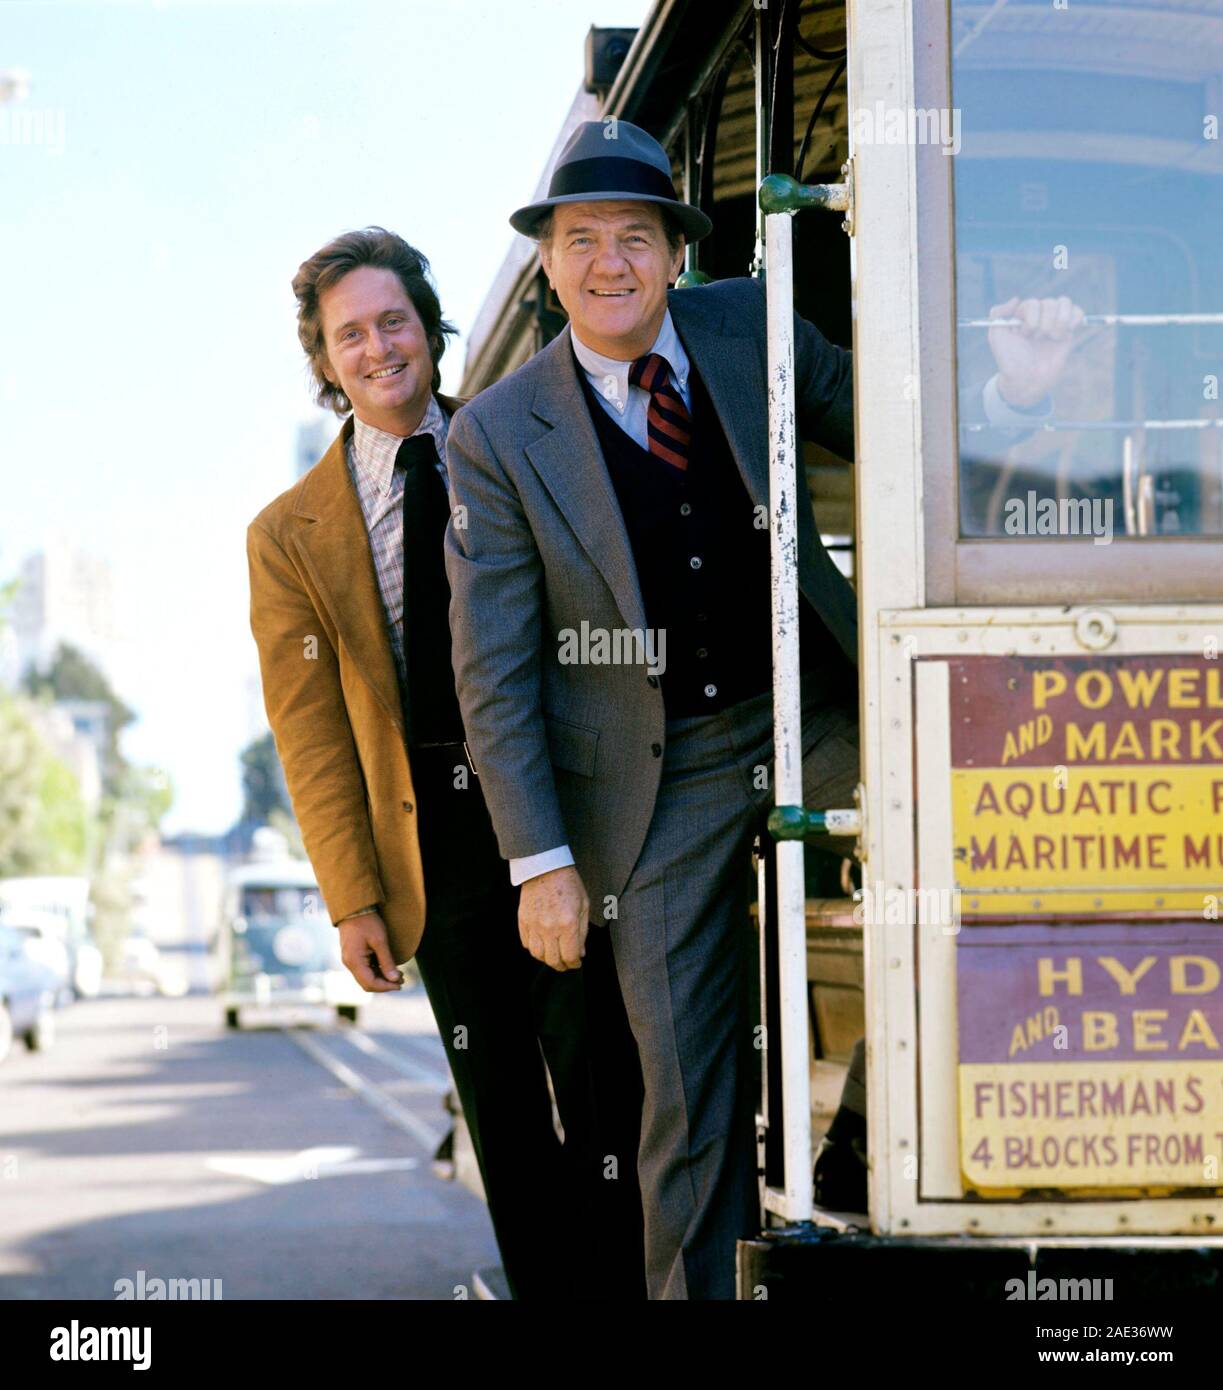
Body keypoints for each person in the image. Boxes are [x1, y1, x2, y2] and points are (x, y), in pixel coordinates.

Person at [443, 120, 1082, 1299]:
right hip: (648, 775)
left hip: (809, 709)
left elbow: (878, 423)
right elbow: (494, 669)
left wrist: (1009, 389)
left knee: (973, 868)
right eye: (580, 241)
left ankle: (922, 1168)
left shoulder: (743, 323)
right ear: (547, 262)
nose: (608, 264)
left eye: (634, 237)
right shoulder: (494, 435)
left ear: (674, 255)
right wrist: (540, 859)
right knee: (685, 1086)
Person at [246, 227, 644, 1300]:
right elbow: (311, 727)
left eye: (392, 321)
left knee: (605, 1093)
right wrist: (349, 900)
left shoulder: (515, 439)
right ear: (324, 361)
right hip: (431, 846)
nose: (377, 348)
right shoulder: (287, 533)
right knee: (505, 1119)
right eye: (350, 335)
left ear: (428, 329)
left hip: (556, 820)